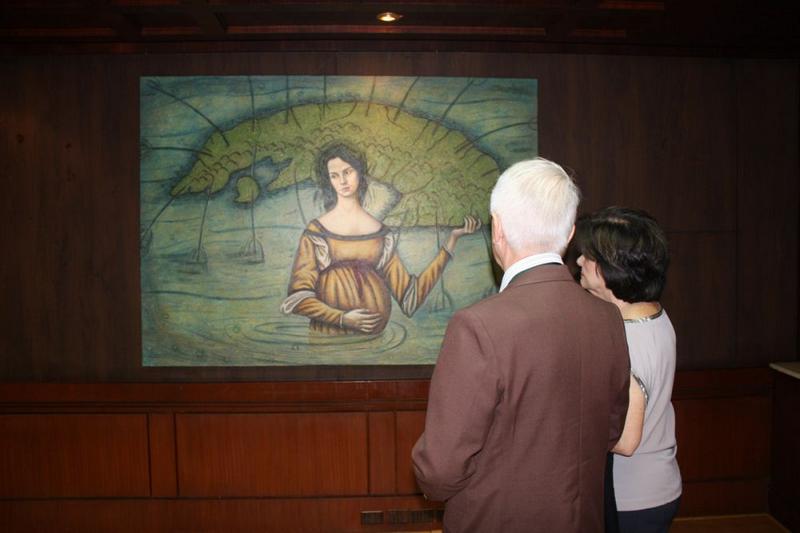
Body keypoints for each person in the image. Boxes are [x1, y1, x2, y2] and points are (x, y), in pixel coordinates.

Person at [412, 158, 631, 532]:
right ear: (569, 234)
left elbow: (440, 470)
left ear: (497, 229)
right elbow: (611, 431)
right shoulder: (607, 318)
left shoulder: (478, 326)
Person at [280, 142, 479, 335]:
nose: (342, 181)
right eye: (334, 175)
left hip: (375, 340)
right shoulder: (317, 232)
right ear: (328, 181)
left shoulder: (381, 234)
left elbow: (410, 298)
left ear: (359, 172)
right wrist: (341, 318)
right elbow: (298, 298)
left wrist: (451, 242)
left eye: (347, 172)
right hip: (328, 339)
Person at [575, 207, 682, 533]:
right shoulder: (653, 314)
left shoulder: (628, 341)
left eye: (588, 256)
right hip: (657, 484)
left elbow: (624, 441)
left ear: (613, 268)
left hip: (632, 500)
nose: (578, 261)